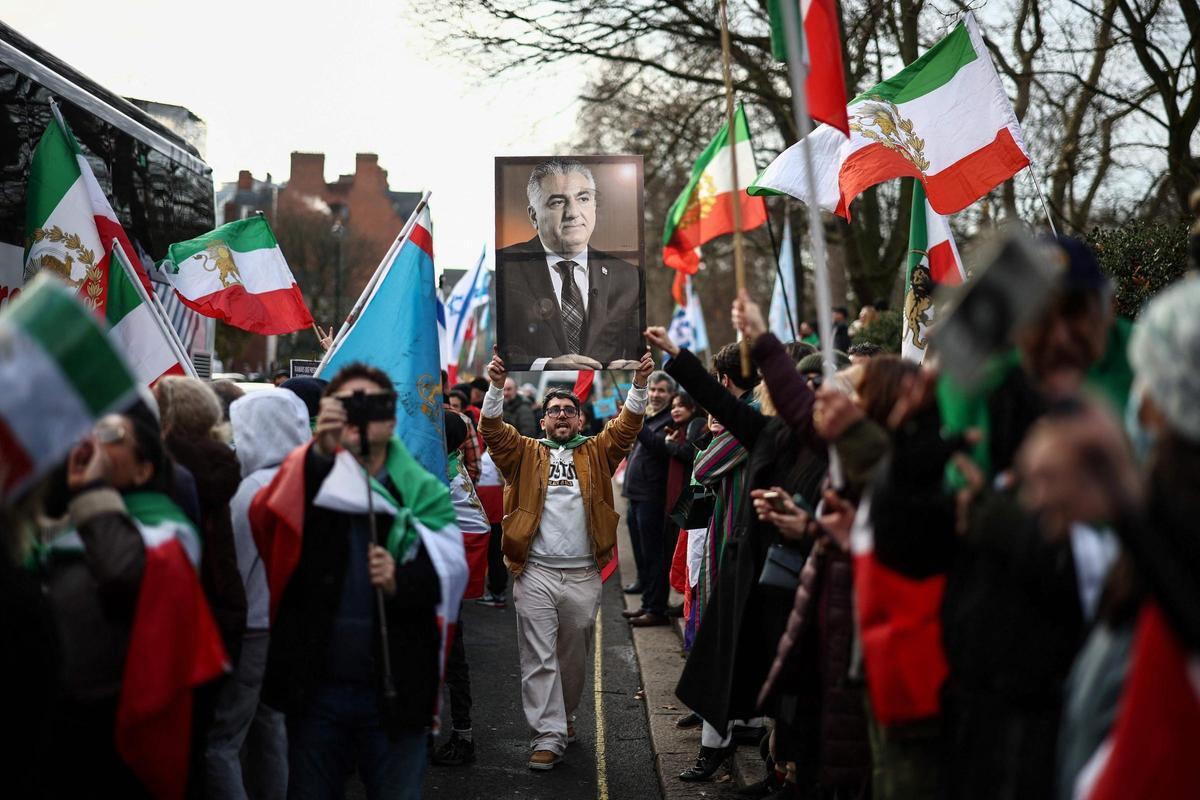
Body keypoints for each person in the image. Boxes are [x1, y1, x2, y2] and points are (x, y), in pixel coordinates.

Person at [255, 363, 458, 800]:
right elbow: (268, 528)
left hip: (397, 690)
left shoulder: (423, 491)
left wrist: (400, 580)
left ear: (391, 419)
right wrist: (317, 455)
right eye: (349, 406)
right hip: (316, 693)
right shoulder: (308, 472)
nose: (362, 417)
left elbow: (450, 580)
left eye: (374, 405)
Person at [479, 346, 654, 769]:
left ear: (579, 419)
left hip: (582, 573)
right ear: (543, 421)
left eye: (568, 411)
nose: (561, 415)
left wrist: (640, 383)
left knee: (572, 656)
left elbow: (627, 427)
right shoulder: (524, 452)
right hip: (535, 570)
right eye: (553, 410)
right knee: (537, 656)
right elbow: (491, 430)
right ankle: (548, 734)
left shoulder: (596, 450)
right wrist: (495, 385)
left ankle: (565, 714)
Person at [205, 389, 312, 800]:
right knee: (271, 728)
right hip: (292, 623)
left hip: (252, 627)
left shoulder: (250, 490)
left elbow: (230, 565)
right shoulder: (308, 480)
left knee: (222, 741)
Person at [496, 158, 643, 370]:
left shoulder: (628, 276)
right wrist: (546, 365)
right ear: (533, 215)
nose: (573, 212)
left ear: (593, 206)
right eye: (557, 202)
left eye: (583, 199)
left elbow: (632, 352)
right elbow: (502, 352)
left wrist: (626, 368)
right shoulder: (505, 267)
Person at [431, 411, 493, 768]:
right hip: (451, 569)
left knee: (451, 659)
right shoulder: (450, 461)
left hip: (447, 574)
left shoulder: (441, 472)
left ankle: (463, 736)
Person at [620, 370, 678, 626]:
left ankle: (656, 609)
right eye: (652, 390)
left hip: (652, 496)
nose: (655, 395)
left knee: (654, 555)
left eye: (661, 391)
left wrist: (637, 423)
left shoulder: (672, 419)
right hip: (636, 495)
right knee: (643, 555)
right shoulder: (651, 416)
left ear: (671, 394)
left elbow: (659, 447)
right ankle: (646, 604)